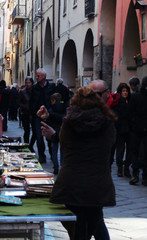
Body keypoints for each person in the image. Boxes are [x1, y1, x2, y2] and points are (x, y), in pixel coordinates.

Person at [49, 86, 116, 240]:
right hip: (98, 182)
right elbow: (110, 145)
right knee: (96, 219)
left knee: (78, 227)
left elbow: (65, 146)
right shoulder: (107, 124)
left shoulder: (69, 123)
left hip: (72, 182)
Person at [30, 68, 55, 163]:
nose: (36, 77)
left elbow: (54, 99)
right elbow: (32, 101)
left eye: (38, 76)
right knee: (39, 137)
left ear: (44, 77)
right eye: (36, 75)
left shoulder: (51, 86)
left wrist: (51, 110)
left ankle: (53, 154)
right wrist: (32, 112)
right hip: (37, 115)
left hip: (48, 115)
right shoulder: (35, 87)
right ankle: (41, 155)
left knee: (50, 136)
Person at [37, 92, 66, 174]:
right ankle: (62, 165)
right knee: (62, 150)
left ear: (53, 100)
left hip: (53, 131)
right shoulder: (64, 107)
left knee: (54, 150)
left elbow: (48, 120)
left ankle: (56, 167)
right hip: (62, 130)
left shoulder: (51, 109)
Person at [112, 83, 132, 177]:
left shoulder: (130, 101)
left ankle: (127, 167)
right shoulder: (118, 102)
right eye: (123, 91)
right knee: (120, 149)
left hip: (130, 129)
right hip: (121, 129)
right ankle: (120, 167)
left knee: (129, 150)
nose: (125, 93)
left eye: (126, 91)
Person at [18, 77, 36, 150]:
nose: (28, 84)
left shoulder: (35, 91)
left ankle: (31, 145)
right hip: (25, 113)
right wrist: (24, 107)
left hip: (33, 113)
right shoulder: (22, 91)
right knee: (27, 131)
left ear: (32, 83)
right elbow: (19, 102)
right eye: (26, 83)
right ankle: (26, 145)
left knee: (35, 132)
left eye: (29, 83)